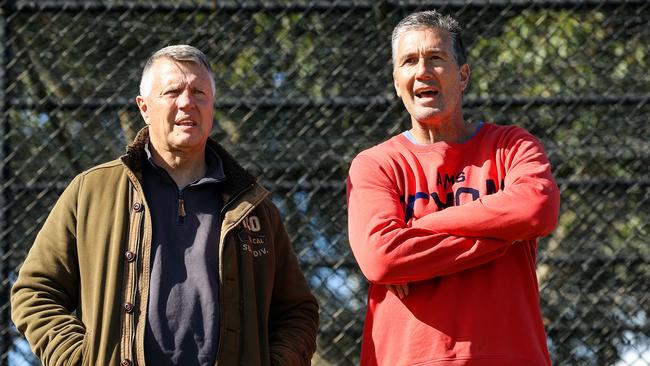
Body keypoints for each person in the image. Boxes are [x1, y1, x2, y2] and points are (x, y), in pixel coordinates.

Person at [11, 45, 319, 366]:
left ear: (212, 106)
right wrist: (82, 359)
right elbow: (34, 293)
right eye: (172, 91)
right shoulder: (91, 192)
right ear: (144, 108)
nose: (187, 102)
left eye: (199, 92)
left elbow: (298, 311)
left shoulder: (253, 206)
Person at [346, 10, 560, 366]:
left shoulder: (511, 145)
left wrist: (418, 230)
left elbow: (537, 209)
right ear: (397, 82)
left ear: (463, 75)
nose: (422, 71)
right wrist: (503, 233)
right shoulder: (374, 164)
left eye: (436, 58)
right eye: (409, 61)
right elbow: (381, 258)